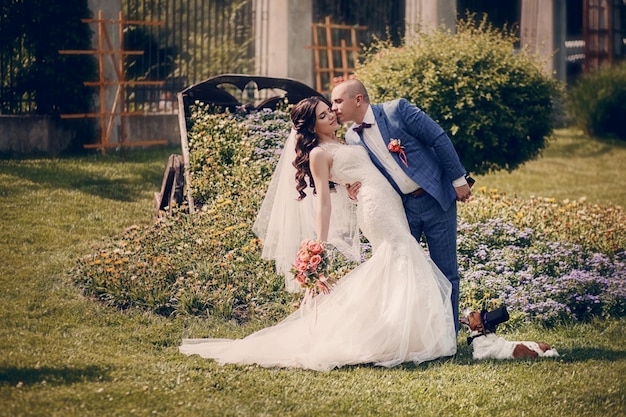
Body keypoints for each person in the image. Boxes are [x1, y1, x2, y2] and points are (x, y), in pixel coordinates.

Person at [179, 96, 456, 371]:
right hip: (376, 207)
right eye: (323, 116)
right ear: (311, 127)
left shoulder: (345, 139)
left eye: (329, 111)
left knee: (396, 264)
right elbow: (323, 200)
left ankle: (401, 330)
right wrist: (318, 245)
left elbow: (363, 169)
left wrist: (351, 186)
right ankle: (401, 335)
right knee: (400, 256)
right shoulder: (318, 154)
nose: (332, 116)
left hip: (385, 200)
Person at [331, 79, 471, 332]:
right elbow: (369, 174)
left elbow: (438, 138)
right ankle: (410, 332)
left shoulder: (398, 110)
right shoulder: (352, 137)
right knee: (402, 269)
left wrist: (458, 179)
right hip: (402, 208)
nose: (334, 108)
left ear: (358, 99)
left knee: (446, 270)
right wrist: (355, 191)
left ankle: (449, 333)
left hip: (436, 198)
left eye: (338, 101)